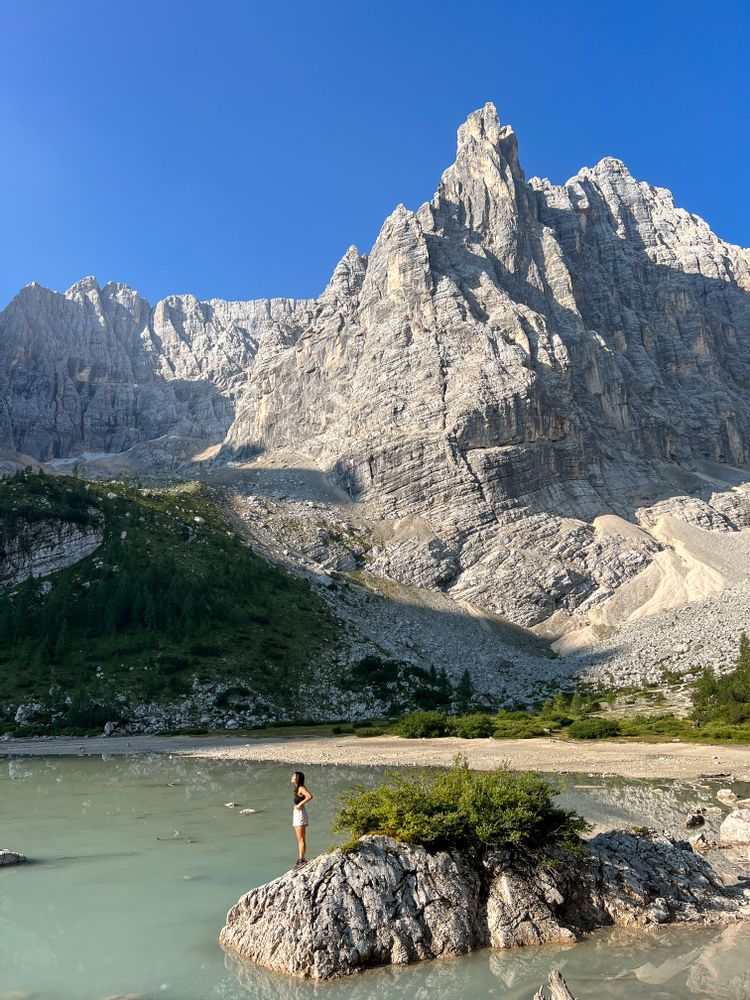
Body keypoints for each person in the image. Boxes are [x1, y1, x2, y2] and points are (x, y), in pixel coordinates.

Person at [291, 770, 312, 867]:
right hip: (297, 814)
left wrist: (299, 804)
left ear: (297, 778)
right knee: (299, 839)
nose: (292, 777)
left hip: (300, 814)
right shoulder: (297, 788)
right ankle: (301, 859)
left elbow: (309, 796)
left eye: (294, 776)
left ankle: (302, 860)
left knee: (301, 839)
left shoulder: (301, 788)